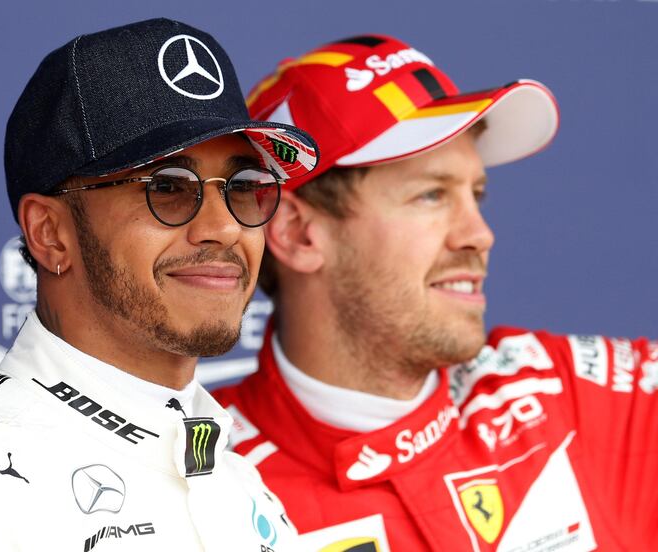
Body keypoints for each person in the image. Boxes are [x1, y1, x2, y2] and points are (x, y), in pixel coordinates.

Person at [0, 18, 319, 551]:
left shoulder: (245, 490)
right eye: (167, 188)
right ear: (50, 234)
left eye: (244, 187)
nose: (223, 227)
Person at [213, 34, 658, 551]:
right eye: (431, 195)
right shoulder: (208, 489)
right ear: (297, 232)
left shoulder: (583, 395)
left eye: (477, 194)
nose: (479, 235)